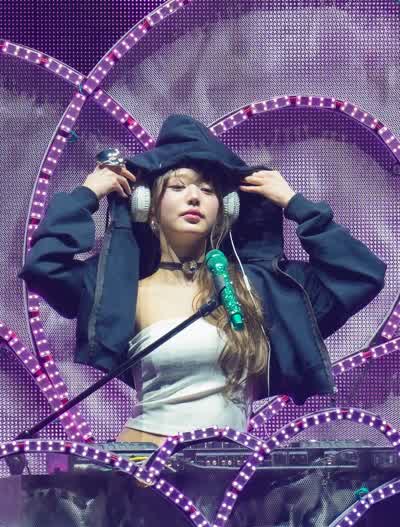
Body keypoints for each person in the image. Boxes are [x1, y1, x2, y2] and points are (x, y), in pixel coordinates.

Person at [19, 114, 387, 447]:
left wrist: (295, 204)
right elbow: (43, 267)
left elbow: (362, 274)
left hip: (228, 468)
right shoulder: (121, 288)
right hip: (144, 464)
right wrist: (87, 194)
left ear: (226, 211)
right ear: (148, 207)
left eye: (208, 190)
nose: (194, 197)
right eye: (178, 187)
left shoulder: (255, 289)